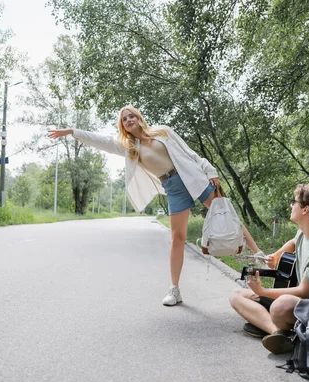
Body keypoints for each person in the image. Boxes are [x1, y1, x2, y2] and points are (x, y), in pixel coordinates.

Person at [48, 106, 265, 306]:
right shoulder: (129, 147)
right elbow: (101, 140)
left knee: (226, 216)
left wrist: (211, 171)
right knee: (177, 238)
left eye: (131, 115)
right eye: (124, 119)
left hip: (193, 176)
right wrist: (71, 131)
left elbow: (189, 153)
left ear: (139, 117)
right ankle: (175, 290)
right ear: (122, 126)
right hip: (173, 187)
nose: (128, 120)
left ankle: (259, 255)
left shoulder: (163, 132)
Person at [229, 183, 309, 354]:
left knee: (281, 305)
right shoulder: (306, 231)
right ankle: (277, 333)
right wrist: (276, 256)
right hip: (302, 304)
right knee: (236, 295)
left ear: (306, 210)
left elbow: (303, 292)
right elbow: (294, 242)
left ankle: (272, 326)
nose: (291, 205)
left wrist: (262, 291)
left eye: (295, 202)